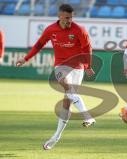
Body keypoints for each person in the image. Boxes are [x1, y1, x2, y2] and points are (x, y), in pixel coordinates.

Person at [16, 4, 96, 150]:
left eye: (71, 17)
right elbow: (39, 45)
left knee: (67, 103)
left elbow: (87, 48)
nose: (69, 20)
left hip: (77, 67)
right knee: (66, 85)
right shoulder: (51, 29)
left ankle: (55, 137)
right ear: (59, 16)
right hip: (61, 66)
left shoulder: (79, 30)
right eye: (66, 18)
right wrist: (26, 58)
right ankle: (88, 116)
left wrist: (88, 65)